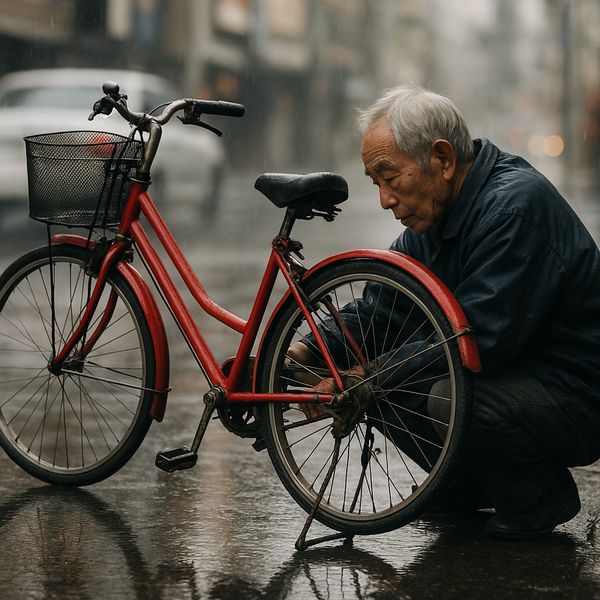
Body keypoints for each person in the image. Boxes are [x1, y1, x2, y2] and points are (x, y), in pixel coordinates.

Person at [288, 85, 600, 540]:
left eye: (391, 178)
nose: (385, 200)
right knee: (390, 378)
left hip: (575, 394)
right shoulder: (436, 217)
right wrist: (307, 350)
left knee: (436, 390)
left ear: (443, 159)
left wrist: (363, 377)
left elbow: (476, 340)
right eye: (376, 183)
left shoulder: (513, 208)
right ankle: (466, 487)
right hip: (521, 378)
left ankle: (538, 498)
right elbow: (382, 307)